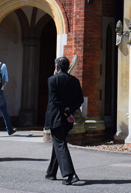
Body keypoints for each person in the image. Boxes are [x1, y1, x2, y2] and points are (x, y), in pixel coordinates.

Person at [44, 56, 84, 186]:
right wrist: (70, 111)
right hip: (68, 119)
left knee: (60, 144)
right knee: (58, 143)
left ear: (56, 67)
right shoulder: (74, 81)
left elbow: (55, 100)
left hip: (56, 117)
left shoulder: (52, 80)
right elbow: (80, 100)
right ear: (68, 67)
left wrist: (66, 113)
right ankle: (51, 172)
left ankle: (70, 174)